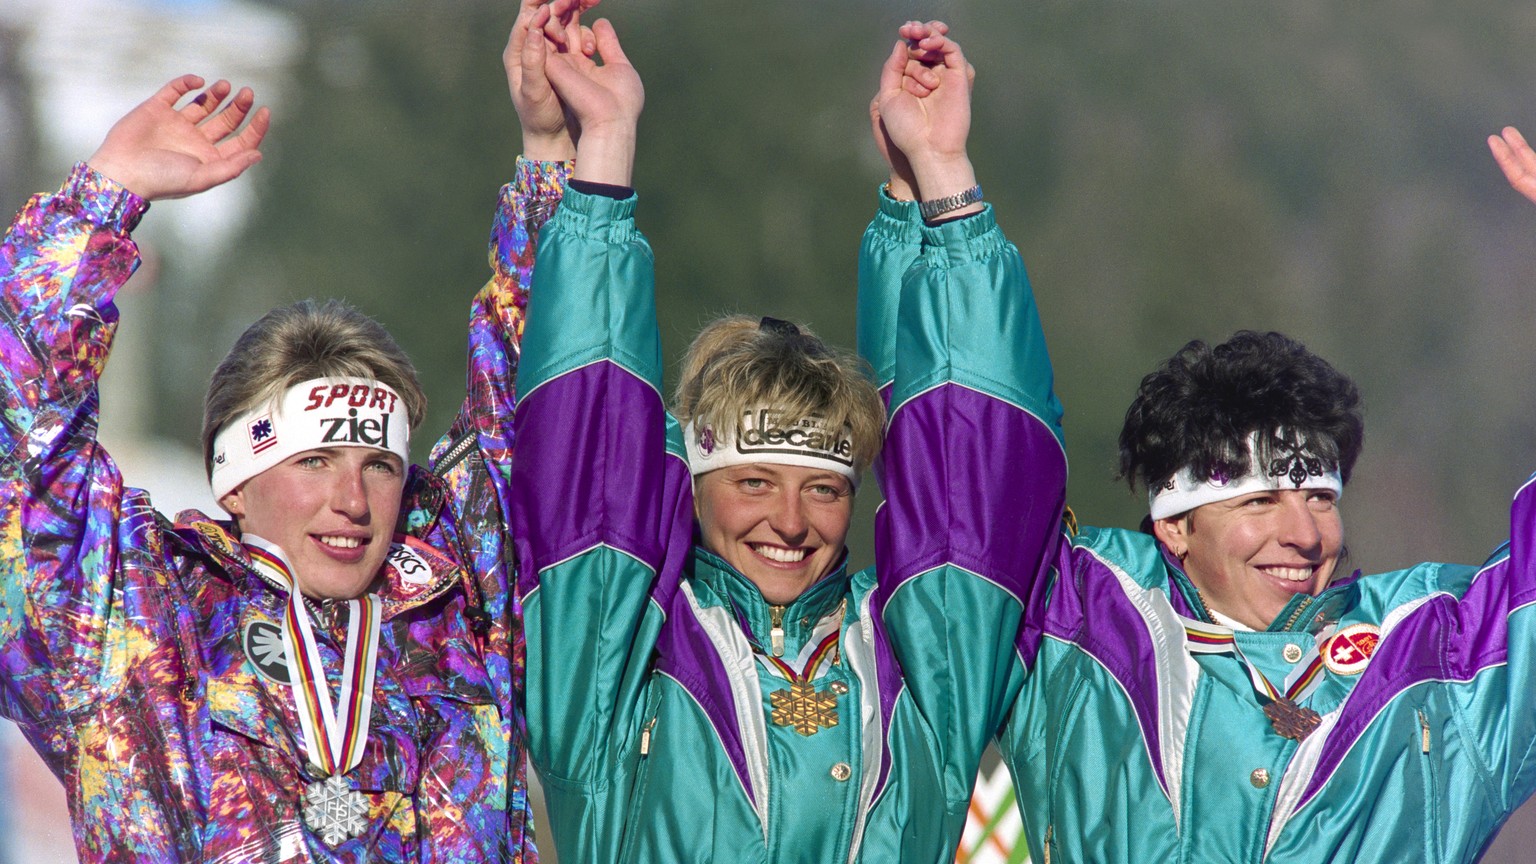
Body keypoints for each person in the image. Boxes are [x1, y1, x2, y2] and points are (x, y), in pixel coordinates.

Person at [501, 7, 1066, 862]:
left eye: (825, 487)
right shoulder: (625, 646)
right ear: (692, 482)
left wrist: (939, 174)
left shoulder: (914, 661)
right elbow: (586, 428)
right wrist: (606, 145)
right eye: (753, 482)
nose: (792, 521)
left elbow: (975, 456)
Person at [0, 74, 538, 861]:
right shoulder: (134, 621)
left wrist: (557, 153)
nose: (352, 498)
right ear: (235, 479)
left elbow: (540, 403)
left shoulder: (459, 609)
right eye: (315, 460)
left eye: (380, 464)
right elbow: (21, 441)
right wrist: (104, 195)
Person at [989, 125, 1536, 862]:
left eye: (1319, 497)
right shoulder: (1081, 625)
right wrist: (941, 197)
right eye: (1259, 502)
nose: (1305, 534)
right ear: (1174, 524)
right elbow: (972, 463)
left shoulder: (1429, 654)